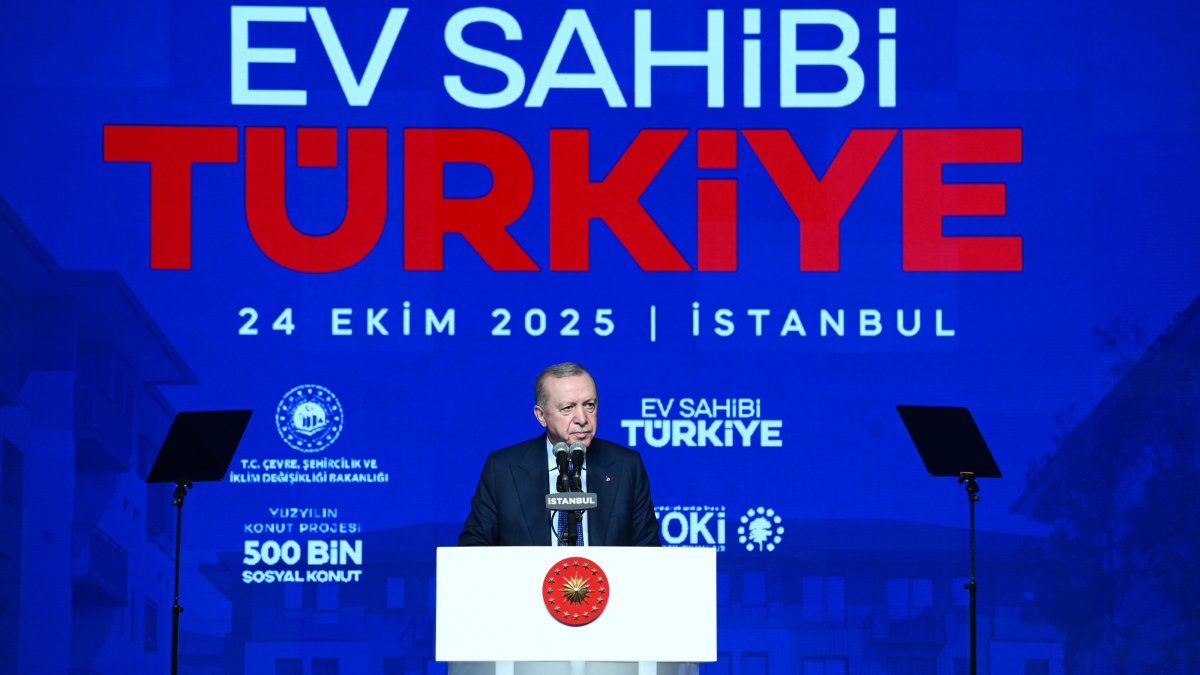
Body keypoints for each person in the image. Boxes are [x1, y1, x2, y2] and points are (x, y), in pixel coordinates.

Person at [458, 362, 661, 546]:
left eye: (589, 405)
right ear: (541, 415)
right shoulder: (503, 468)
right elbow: (473, 546)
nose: (582, 418)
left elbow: (648, 550)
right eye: (568, 408)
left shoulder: (626, 466)